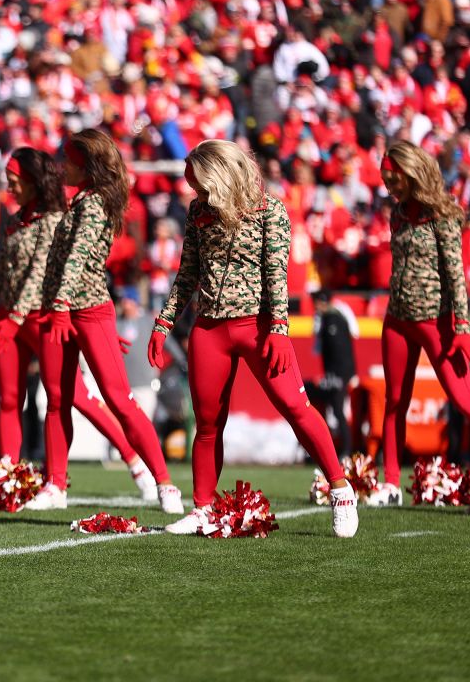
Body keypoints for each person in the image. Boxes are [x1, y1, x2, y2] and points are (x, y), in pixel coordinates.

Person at [149, 139, 358, 537]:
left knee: (296, 408)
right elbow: (186, 275)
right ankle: (203, 509)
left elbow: (275, 273)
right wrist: (163, 324)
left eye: (199, 182)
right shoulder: (198, 211)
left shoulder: (270, 209)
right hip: (209, 328)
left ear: (219, 175)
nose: (194, 191)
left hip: (258, 326)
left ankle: (340, 489)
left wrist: (279, 329)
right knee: (208, 424)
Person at [0, 147, 160, 502]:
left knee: (76, 396)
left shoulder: (56, 220)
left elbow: (38, 276)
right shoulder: (13, 220)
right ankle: (8, 475)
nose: (10, 188)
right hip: (9, 318)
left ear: (35, 182)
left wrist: (17, 318)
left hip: (44, 317)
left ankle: (134, 460)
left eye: (16, 182)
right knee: (8, 399)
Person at [38, 130, 182, 513]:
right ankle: (55, 485)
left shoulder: (94, 203)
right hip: (60, 309)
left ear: (86, 166)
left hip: (84, 310)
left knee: (119, 399)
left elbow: (78, 258)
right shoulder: (80, 200)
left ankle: (164, 482)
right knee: (56, 399)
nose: (61, 166)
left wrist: (62, 302)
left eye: (68, 160)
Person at [371, 141, 470, 506]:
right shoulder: (398, 214)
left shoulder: (444, 215)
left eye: (394, 179)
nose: (390, 187)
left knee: (466, 401)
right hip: (397, 320)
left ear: (412, 174)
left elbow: (456, 275)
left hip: (437, 322)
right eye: (386, 180)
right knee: (394, 402)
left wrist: (462, 326)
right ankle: (390, 485)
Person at [311, 290, 357, 457]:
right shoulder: (330, 318)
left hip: (338, 373)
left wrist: (337, 375)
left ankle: (346, 450)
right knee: (334, 410)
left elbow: (339, 351)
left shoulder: (333, 319)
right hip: (336, 373)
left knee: (338, 410)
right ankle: (337, 449)